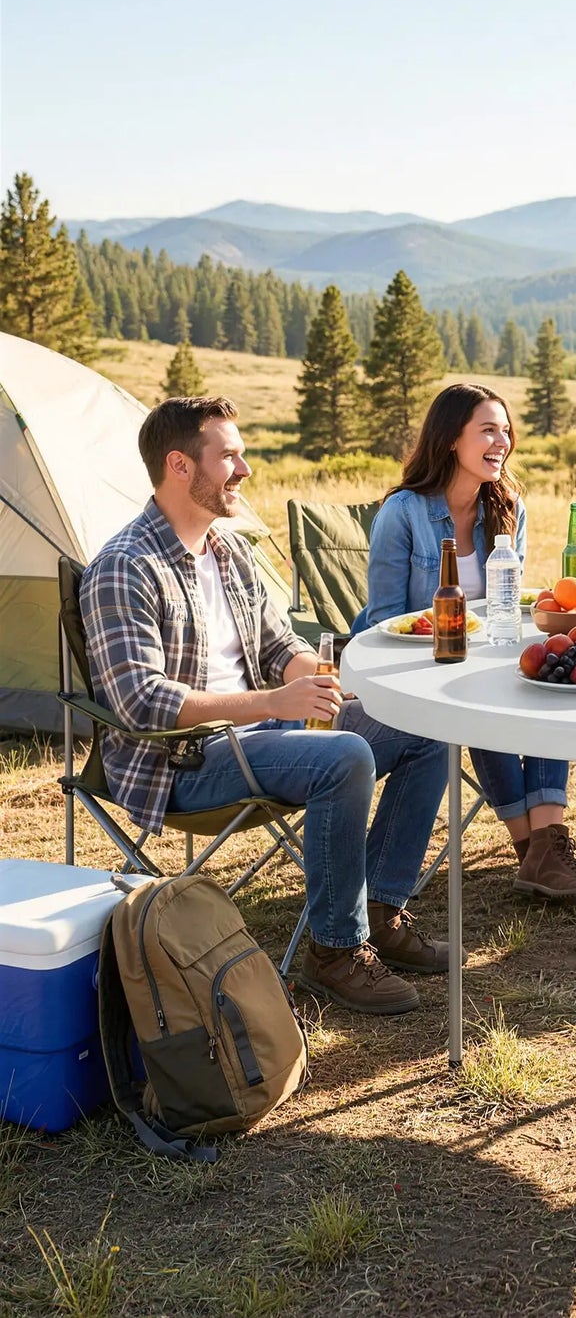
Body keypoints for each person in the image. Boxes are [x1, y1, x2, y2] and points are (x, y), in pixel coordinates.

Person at [81, 396, 450, 1016]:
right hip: (181, 761)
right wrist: (273, 702)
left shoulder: (228, 551)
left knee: (421, 727)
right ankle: (334, 953)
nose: (245, 469)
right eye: (229, 456)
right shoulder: (126, 567)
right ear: (178, 465)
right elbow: (141, 701)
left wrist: (329, 684)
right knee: (344, 758)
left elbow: (280, 647)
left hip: (261, 734)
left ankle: (383, 911)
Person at [354, 382, 576, 905]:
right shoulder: (402, 512)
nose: (502, 441)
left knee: (545, 681)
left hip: (484, 655)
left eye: (506, 430)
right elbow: (383, 623)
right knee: (480, 696)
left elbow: (508, 606)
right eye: (488, 430)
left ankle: (545, 847)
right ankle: (535, 851)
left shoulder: (507, 505)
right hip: (412, 667)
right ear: (450, 440)